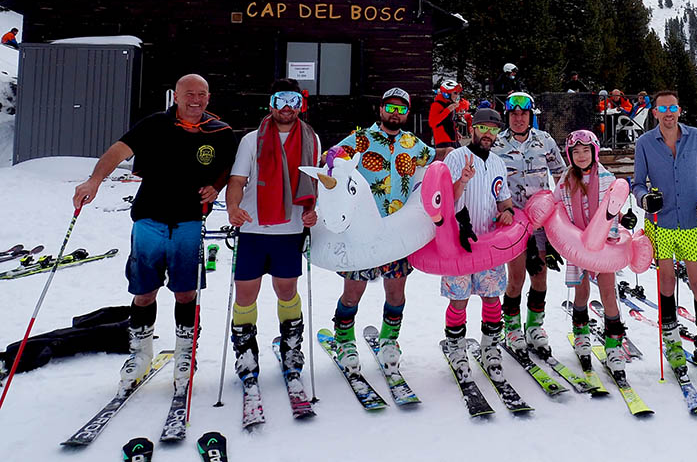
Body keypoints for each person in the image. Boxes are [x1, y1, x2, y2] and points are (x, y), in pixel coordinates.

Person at [72, 74, 236, 394]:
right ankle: (140, 354)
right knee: (144, 292)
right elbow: (118, 151)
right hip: (148, 222)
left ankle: (186, 354)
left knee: (185, 293)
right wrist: (94, 180)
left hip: (190, 223)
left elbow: (232, 165)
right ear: (175, 96)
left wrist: (217, 186)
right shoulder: (154, 124)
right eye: (189, 93)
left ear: (208, 97)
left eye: (202, 94)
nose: (196, 99)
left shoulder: (221, 132)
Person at [327, 87, 434, 375]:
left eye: (401, 109)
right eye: (390, 107)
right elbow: (332, 159)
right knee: (352, 293)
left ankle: (390, 340)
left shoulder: (413, 144)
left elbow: (435, 161)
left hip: (397, 233)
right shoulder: (360, 139)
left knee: (396, 293)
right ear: (380, 109)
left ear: (407, 113)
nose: (395, 113)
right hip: (363, 231)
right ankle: (344, 340)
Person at [224, 78, 319, 390]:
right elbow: (237, 179)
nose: (287, 107)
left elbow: (315, 180)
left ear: (300, 104)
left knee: (286, 290)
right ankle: (245, 353)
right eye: (281, 100)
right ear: (271, 104)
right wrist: (233, 207)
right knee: (246, 292)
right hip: (253, 226)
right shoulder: (252, 140)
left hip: (290, 228)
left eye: (293, 100)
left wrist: (312, 209)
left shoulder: (311, 139)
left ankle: (291, 349)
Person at [631, 89, 697, 377]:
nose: (669, 113)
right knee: (666, 283)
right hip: (660, 222)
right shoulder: (645, 143)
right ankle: (672, 342)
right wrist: (644, 199)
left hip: (689, 222)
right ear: (655, 113)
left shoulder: (695, 138)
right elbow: (637, 184)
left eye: (673, 107)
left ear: (679, 110)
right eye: (663, 109)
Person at [441, 108, 515, 381]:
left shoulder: (497, 162)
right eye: (484, 128)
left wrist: (508, 212)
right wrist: (462, 181)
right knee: (458, 300)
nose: (488, 134)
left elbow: (503, 199)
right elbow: (443, 199)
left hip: (488, 243)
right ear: (473, 127)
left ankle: (490, 347)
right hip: (458, 241)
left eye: (494, 130)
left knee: (491, 297)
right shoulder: (456, 158)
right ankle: (457, 348)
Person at [492, 91, 566, 355]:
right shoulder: (497, 144)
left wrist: (563, 214)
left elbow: (562, 176)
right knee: (516, 277)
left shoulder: (544, 141)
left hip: (540, 221)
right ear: (508, 115)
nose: (519, 118)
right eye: (514, 114)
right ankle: (511, 327)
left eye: (523, 113)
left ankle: (535, 325)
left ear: (531, 115)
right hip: (512, 220)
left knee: (540, 275)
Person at [559, 130, 628, 373]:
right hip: (577, 244)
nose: (581, 156)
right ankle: (581, 334)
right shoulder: (566, 181)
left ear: (594, 152)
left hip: (602, 246)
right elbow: (559, 209)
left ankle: (614, 344)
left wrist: (621, 219)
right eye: (575, 152)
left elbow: (614, 208)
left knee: (608, 294)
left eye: (585, 151)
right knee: (581, 292)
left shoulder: (608, 179)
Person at [429, 79, 469, 160]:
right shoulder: (437, 105)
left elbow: (449, 122)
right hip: (443, 143)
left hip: (453, 140)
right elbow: (432, 123)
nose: (457, 96)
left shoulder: (451, 105)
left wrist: (456, 132)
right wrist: (448, 110)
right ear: (446, 94)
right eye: (455, 93)